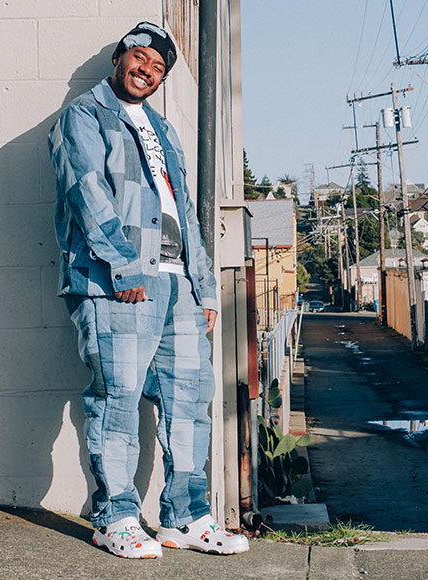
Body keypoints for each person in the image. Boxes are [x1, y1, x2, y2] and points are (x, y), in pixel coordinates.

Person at [48, 22, 249, 559]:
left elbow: (185, 211)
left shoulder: (162, 129)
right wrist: (124, 267)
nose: (148, 71)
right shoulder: (84, 117)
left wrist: (202, 286)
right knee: (118, 400)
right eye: (140, 59)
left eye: (159, 68)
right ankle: (114, 518)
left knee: (189, 401)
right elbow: (87, 194)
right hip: (118, 285)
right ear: (120, 58)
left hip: (176, 284)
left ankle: (186, 517)